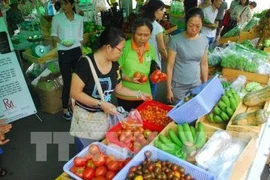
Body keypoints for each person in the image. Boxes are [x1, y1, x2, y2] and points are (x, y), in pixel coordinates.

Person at [70, 26, 151, 151]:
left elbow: (119, 89)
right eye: (120, 50)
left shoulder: (115, 65)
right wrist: (100, 103)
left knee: (102, 150)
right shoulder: (85, 63)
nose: (121, 53)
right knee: (85, 153)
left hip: (104, 118)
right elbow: (75, 93)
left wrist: (139, 94)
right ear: (108, 47)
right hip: (85, 120)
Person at [167, 7, 209, 105]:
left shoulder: (204, 40)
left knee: (194, 109)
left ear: (202, 24)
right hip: (178, 85)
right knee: (178, 111)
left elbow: (204, 64)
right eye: (191, 25)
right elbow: (169, 66)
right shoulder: (176, 40)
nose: (194, 29)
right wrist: (169, 89)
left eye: (198, 26)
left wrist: (205, 83)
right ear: (186, 23)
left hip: (196, 83)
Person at [51, 0, 83, 120]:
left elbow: (80, 37)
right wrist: (62, 42)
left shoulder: (79, 19)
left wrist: (81, 48)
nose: (63, 7)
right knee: (67, 81)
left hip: (76, 51)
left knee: (79, 80)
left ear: (72, 4)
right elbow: (53, 35)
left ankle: (78, 106)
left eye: (66, 4)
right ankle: (65, 108)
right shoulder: (57, 18)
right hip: (63, 52)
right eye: (62, 4)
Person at [116, 17, 157, 111]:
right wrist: (129, 78)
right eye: (139, 34)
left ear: (150, 34)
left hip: (145, 94)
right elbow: (115, 70)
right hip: (126, 96)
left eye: (146, 35)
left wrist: (155, 75)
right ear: (133, 32)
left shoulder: (151, 48)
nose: (142, 38)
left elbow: (152, 67)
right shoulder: (124, 47)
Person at [142, 0, 167, 99]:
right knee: (152, 88)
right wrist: (168, 59)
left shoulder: (141, 22)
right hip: (153, 62)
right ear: (155, 11)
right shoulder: (157, 27)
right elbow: (161, 48)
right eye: (161, 10)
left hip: (139, 60)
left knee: (141, 85)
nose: (163, 13)